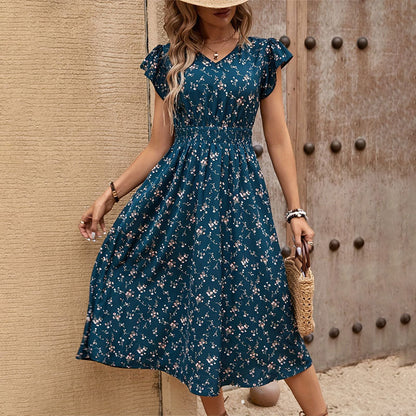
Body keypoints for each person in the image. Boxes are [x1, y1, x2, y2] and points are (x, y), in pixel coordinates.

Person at [75, 0, 329, 415]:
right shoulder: (170, 60)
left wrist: (295, 212)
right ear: (185, 4)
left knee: (271, 313)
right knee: (196, 312)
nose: (225, 7)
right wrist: (110, 193)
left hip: (241, 201)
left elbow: (279, 139)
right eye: (212, 2)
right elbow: (159, 146)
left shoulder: (262, 55)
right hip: (184, 204)